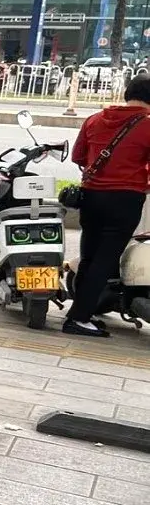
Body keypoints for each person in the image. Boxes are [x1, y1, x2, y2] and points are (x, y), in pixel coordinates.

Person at [63, 72, 150, 336]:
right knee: (105, 260)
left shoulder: (95, 119)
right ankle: (78, 318)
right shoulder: (148, 126)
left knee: (89, 258)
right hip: (124, 200)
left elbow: (78, 156)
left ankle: (80, 313)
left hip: (90, 197)